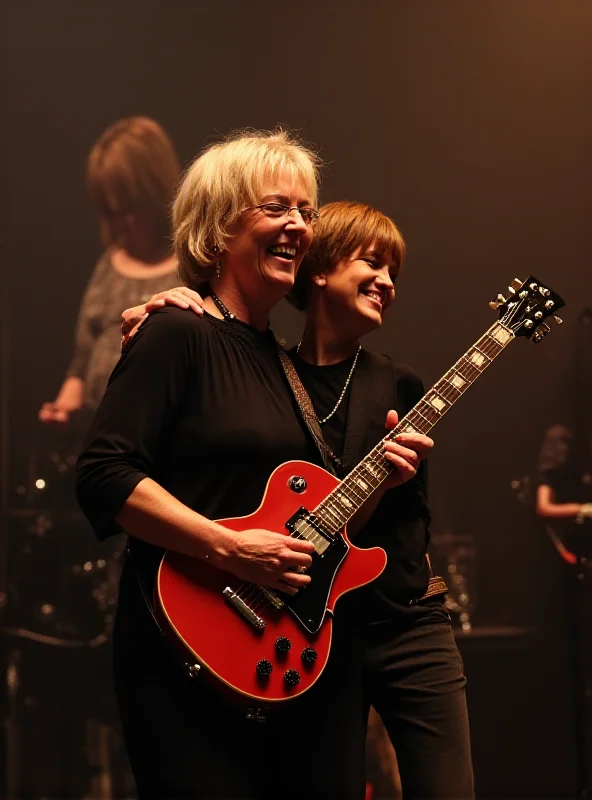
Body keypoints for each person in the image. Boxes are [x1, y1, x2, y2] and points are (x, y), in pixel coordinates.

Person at [75, 131, 430, 799]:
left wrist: (382, 480)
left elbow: (312, 524)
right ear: (217, 228)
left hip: (293, 661)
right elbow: (102, 474)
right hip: (186, 657)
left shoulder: (287, 368)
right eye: (276, 207)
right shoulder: (176, 331)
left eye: (306, 210)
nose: (299, 225)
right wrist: (230, 548)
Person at [38, 116, 182, 425]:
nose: (125, 221)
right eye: (114, 210)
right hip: (101, 436)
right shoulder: (108, 265)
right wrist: (64, 410)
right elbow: (82, 362)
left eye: (132, 207)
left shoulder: (194, 265)